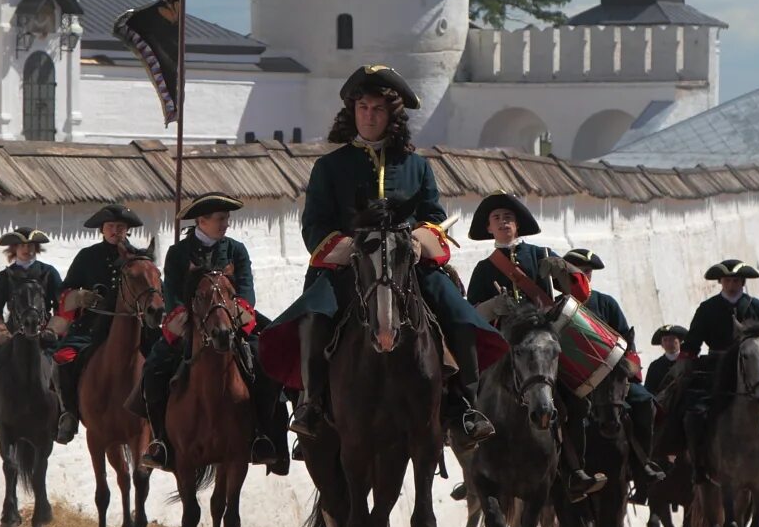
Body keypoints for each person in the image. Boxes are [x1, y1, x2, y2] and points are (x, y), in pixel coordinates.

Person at [284, 65, 501, 445]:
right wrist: (349, 249)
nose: (369, 116)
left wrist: (418, 241)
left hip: (408, 267)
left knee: (460, 314)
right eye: (363, 107)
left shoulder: (417, 167)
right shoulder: (328, 167)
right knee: (313, 318)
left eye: (378, 109)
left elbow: (433, 215)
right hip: (345, 268)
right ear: (352, 112)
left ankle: (464, 406)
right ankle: (311, 403)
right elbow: (314, 224)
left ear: (392, 116)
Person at [466, 194, 602, 500]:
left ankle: (574, 470)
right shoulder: (484, 268)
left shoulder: (540, 253)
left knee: (576, 401)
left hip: (542, 341)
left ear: (518, 225)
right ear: (489, 228)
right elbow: (472, 312)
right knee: (470, 396)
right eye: (497, 218)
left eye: (508, 217)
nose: (503, 222)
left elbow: (581, 293)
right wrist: (492, 305)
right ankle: (473, 464)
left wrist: (564, 270)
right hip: (504, 345)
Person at [139, 194, 287, 476]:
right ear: (201, 220)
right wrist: (183, 318)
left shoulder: (236, 250)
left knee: (269, 367)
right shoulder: (179, 253)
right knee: (153, 369)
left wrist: (235, 315)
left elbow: (246, 290)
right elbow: (171, 293)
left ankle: (266, 438)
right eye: (220, 218)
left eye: (227, 218)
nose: (225, 224)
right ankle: (159, 441)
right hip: (190, 325)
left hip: (231, 322)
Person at [560, 247, 665, 497]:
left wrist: (630, 375)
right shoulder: (557, 305)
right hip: (571, 380)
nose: (583, 277)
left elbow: (627, 342)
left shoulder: (605, 303)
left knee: (644, 402)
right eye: (577, 272)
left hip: (610, 379)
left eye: (587, 272)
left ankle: (642, 465)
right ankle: (566, 473)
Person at [677, 259, 759, 484]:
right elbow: (692, 344)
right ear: (720, 282)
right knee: (694, 415)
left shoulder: (756, 306)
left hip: (754, 373)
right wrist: (685, 365)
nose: (732, 285)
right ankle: (699, 464)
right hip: (716, 373)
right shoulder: (707, 309)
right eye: (728, 280)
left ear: (742, 282)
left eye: (736, 280)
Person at [49, 203, 146, 444]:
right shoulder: (87, 257)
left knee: (164, 359)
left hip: (134, 329)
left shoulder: (139, 258)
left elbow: (154, 289)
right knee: (62, 359)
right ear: (102, 230)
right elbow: (65, 290)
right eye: (111, 226)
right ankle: (69, 413)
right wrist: (80, 296)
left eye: (121, 227)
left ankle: (160, 417)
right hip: (91, 328)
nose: (116, 231)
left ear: (127, 230)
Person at [0, 230, 61, 437]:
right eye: (22, 246)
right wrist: (1, 331)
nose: (26, 249)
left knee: (65, 360)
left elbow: (61, 306)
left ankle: (66, 415)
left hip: (43, 335)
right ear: (14, 249)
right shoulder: (5, 277)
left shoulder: (49, 273)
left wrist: (52, 330)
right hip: (13, 336)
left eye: (30, 245)